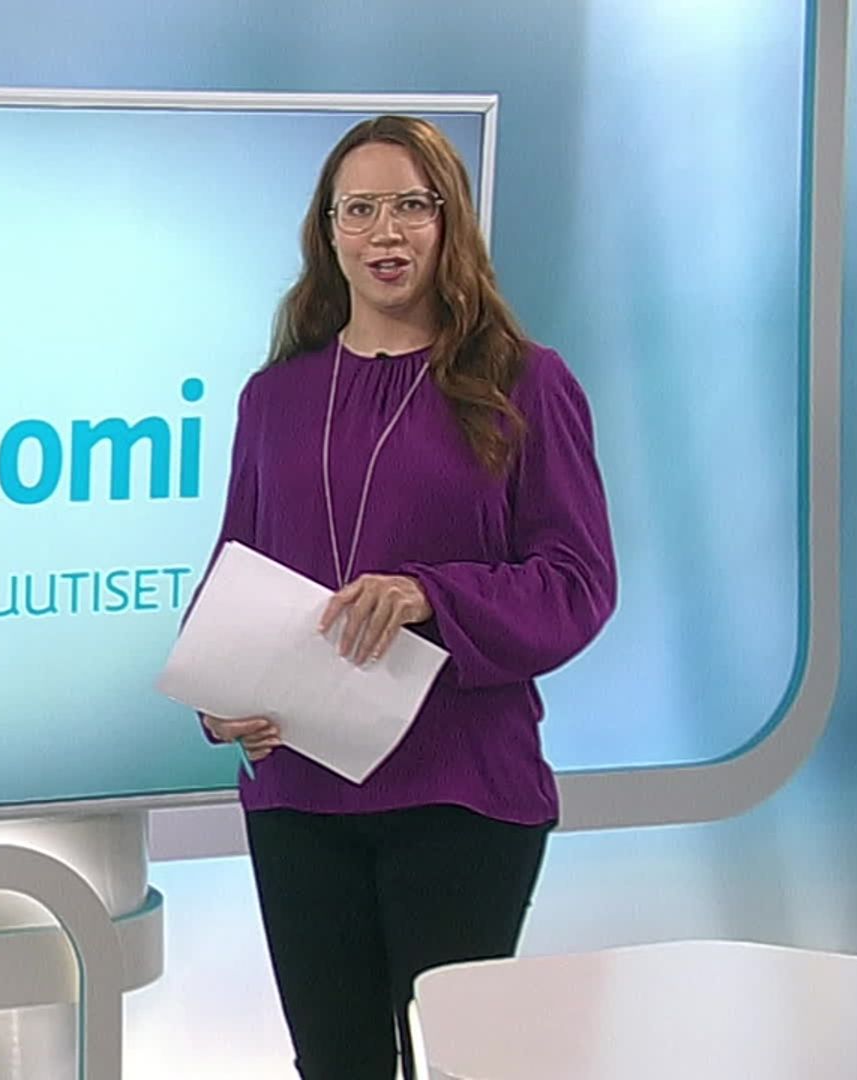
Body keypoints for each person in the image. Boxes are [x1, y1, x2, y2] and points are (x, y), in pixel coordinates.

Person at [198, 115, 617, 1080]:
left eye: (410, 207)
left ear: (448, 222)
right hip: (299, 793)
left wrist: (431, 595)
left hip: (462, 792)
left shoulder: (525, 383)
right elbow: (234, 574)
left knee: (451, 1064)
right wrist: (218, 701)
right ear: (328, 232)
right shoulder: (274, 398)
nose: (384, 232)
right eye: (360, 210)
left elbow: (578, 581)